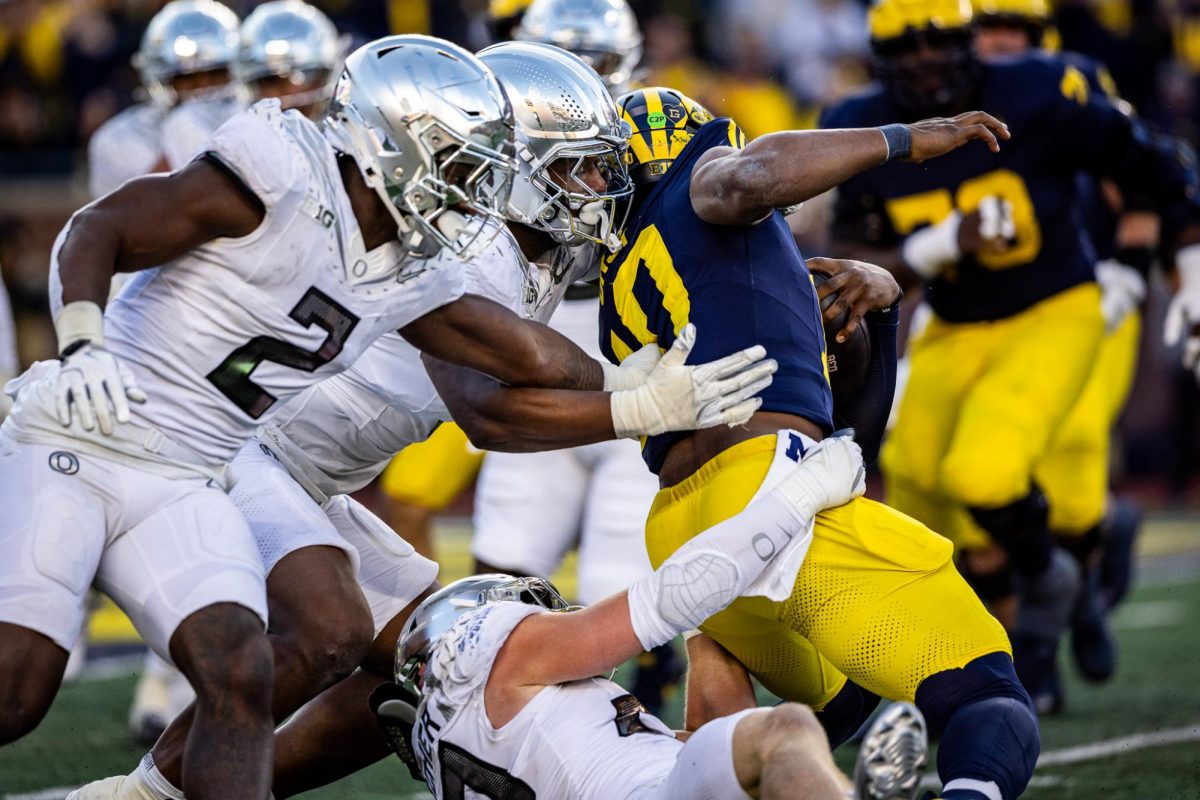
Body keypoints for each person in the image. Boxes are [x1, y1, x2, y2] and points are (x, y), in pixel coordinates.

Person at [63, 42, 777, 800]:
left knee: (438, 667)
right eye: (584, 167)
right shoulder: (458, 239)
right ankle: (141, 796)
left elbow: (656, 258)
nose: (604, 187)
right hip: (240, 443)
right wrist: (633, 408)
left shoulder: (538, 249)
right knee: (332, 627)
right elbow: (485, 409)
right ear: (524, 165)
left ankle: (226, 787)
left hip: (302, 476)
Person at [598, 81, 1051, 800]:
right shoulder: (702, 189)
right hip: (766, 490)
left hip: (686, 532)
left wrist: (884, 313)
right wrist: (903, 138)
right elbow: (745, 178)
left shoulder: (637, 266)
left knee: (841, 700)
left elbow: (844, 435)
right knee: (987, 696)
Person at [822, 0, 1200, 709]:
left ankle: (1053, 593)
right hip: (957, 322)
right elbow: (853, 247)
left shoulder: (1041, 90)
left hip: (1053, 307)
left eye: (945, 50)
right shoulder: (863, 121)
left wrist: (1180, 267)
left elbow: (1155, 163)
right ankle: (1006, 642)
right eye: (910, 57)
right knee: (917, 473)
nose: (930, 71)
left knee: (991, 470)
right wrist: (934, 247)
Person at [382, 436, 928, 800]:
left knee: (752, 752)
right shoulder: (491, 653)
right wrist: (798, 498)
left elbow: (720, 737)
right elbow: (663, 601)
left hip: (657, 788)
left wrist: (706, 631)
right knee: (785, 728)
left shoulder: (464, 737)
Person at [88, 0, 240, 199]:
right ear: (159, 79)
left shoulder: (257, 120)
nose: (202, 89)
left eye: (215, 75)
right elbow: (139, 214)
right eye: (187, 78)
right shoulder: (119, 140)